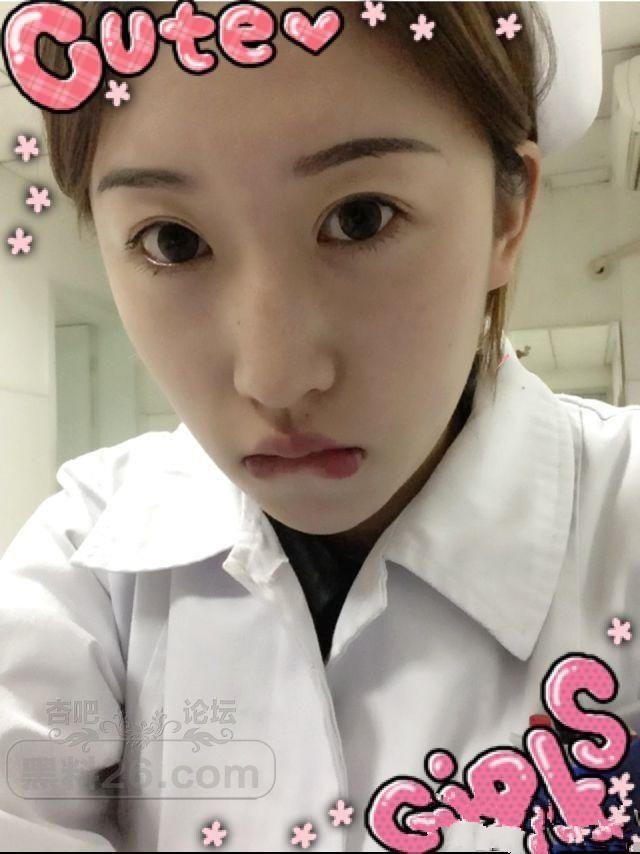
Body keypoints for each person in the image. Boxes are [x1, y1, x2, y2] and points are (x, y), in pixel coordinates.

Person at [1, 2, 639, 851]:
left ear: (506, 214)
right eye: (173, 241)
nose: (274, 377)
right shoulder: (87, 561)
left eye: (361, 217)